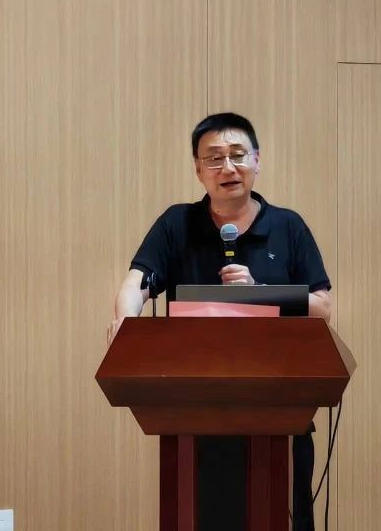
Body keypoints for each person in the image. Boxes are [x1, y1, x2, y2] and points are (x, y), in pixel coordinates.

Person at [109, 112, 331, 531]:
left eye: (237, 155)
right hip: (193, 405)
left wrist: (258, 291)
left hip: (279, 405)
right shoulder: (177, 224)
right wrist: (125, 323)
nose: (227, 167)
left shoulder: (288, 226)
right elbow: (137, 282)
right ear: (198, 169)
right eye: (214, 158)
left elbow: (322, 306)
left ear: (257, 160)